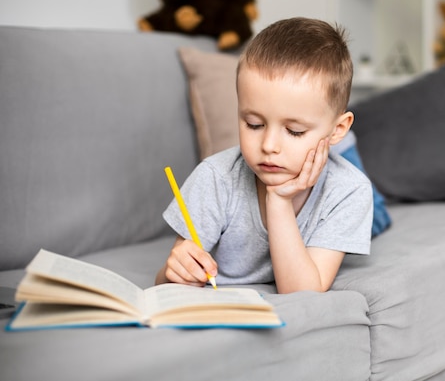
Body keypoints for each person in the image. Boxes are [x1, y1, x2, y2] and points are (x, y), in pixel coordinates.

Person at [156, 17, 373, 294]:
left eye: (294, 131)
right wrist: (172, 271)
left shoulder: (349, 191)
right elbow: (167, 284)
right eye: (254, 124)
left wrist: (279, 201)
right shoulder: (215, 179)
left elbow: (302, 294)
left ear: (337, 129)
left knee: (372, 222)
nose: (269, 145)